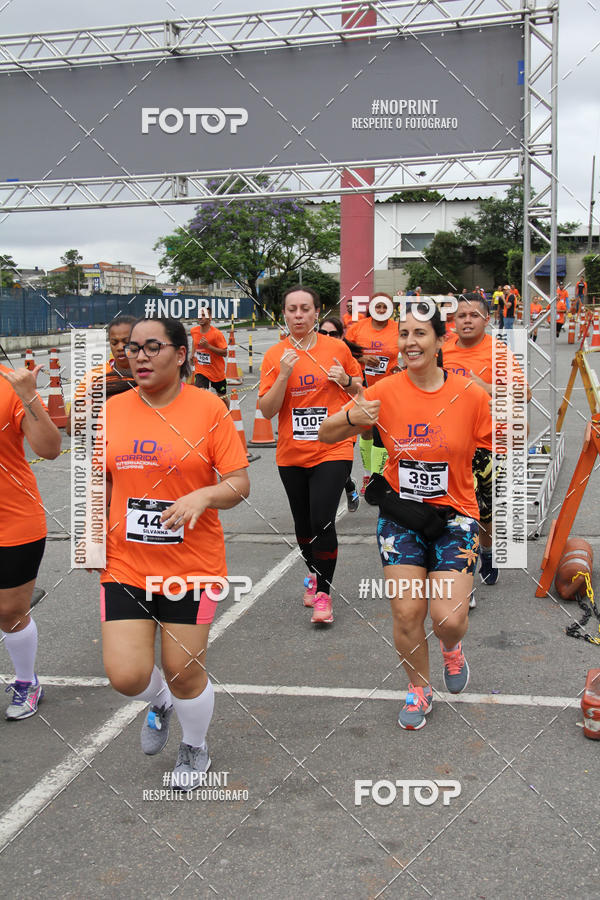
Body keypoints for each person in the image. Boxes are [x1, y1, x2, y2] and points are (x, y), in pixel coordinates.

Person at [320, 301, 491, 730]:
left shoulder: (469, 395)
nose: (409, 342)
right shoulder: (385, 391)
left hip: (455, 516)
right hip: (401, 517)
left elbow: (498, 444)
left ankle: (452, 648)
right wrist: (351, 416)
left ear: (439, 340)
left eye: (419, 334)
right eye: (404, 334)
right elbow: (326, 433)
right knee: (406, 613)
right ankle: (418, 689)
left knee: (448, 619)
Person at [98, 317, 249, 789]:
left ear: (180, 355)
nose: (138, 355)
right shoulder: (113, 410)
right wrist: (92, 539)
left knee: (184, 671)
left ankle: (194, 746)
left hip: (192, 565)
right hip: (125, 563)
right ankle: (157, 700)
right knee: (125, 676)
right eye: (133, 348)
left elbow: (239, 483)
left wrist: (202, 497)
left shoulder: (208, 409)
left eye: (152, 347)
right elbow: (101, 480)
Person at [259, 286, 363, 624]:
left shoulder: (337, 348)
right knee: (303, 525)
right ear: (285, 314)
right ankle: (314, 575)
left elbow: (360, 390)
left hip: (333, 447)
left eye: (306, 309)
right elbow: (266, 410)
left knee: (322, 519)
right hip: (291, 453)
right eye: (292, 309)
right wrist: (284, 375)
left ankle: (323, 595)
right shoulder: (275, 355)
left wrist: (346, 379)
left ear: (317, 312)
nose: (299, 315)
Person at [442, 293, 531, 594]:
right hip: (453, 444)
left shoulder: (499, 352)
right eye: (461, 315)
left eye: (473, 315)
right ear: (453, 320)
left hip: (492, 443)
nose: (467, 320)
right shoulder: (443, 351)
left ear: (486, 320)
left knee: (486, 512)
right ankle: (459, 566)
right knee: (458, 509)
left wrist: (484, 388)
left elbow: (525, 395)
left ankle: (488, 552)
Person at [0, 361, 61, 719]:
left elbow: (50, 448)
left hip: (13, 519)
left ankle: (27, 681)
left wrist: (29, 396)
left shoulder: (12, 384)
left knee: (9, 611)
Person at [345, 294, 400, 495]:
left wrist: (400, 368)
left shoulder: (398, 328)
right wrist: (362, 358)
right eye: (378, 306)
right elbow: (344, 350)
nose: (381, 309)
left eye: (385, 306)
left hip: (391, 387)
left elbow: (408, 350)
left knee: (383, 432)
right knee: (366, 431)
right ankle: (369, 474)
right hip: (364, 386)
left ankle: (380, 477)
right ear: (371, 307)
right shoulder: (358, 328)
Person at [318, 316, 363, 511]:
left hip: (344, 421)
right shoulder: (310, 356)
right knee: (322, 468)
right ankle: (346, 486)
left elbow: (361, 386)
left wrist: (346, 379)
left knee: (339, 467)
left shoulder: (347, 358)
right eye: (323, 333)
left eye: (333, 334)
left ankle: (347, 486)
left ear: (342, 335)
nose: (328, 337)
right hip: (317, 422)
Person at [66, 316, 137, 437]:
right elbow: (71, 428)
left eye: (126, 342)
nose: (120, 348)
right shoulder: (94, 376)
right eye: (114, 343)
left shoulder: (150, 373)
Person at [190, 309, 228, 402]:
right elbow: (194, 341)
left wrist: (208, 346)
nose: (200, 317)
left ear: (210, 318)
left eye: (203, 315)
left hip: (216, 371)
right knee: (200, 393)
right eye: (199, 315)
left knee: (222, 397)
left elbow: (224, 353)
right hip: (201, 370)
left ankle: (227, 414)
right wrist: (192, 353)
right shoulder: (194, 331)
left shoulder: (216, 334)